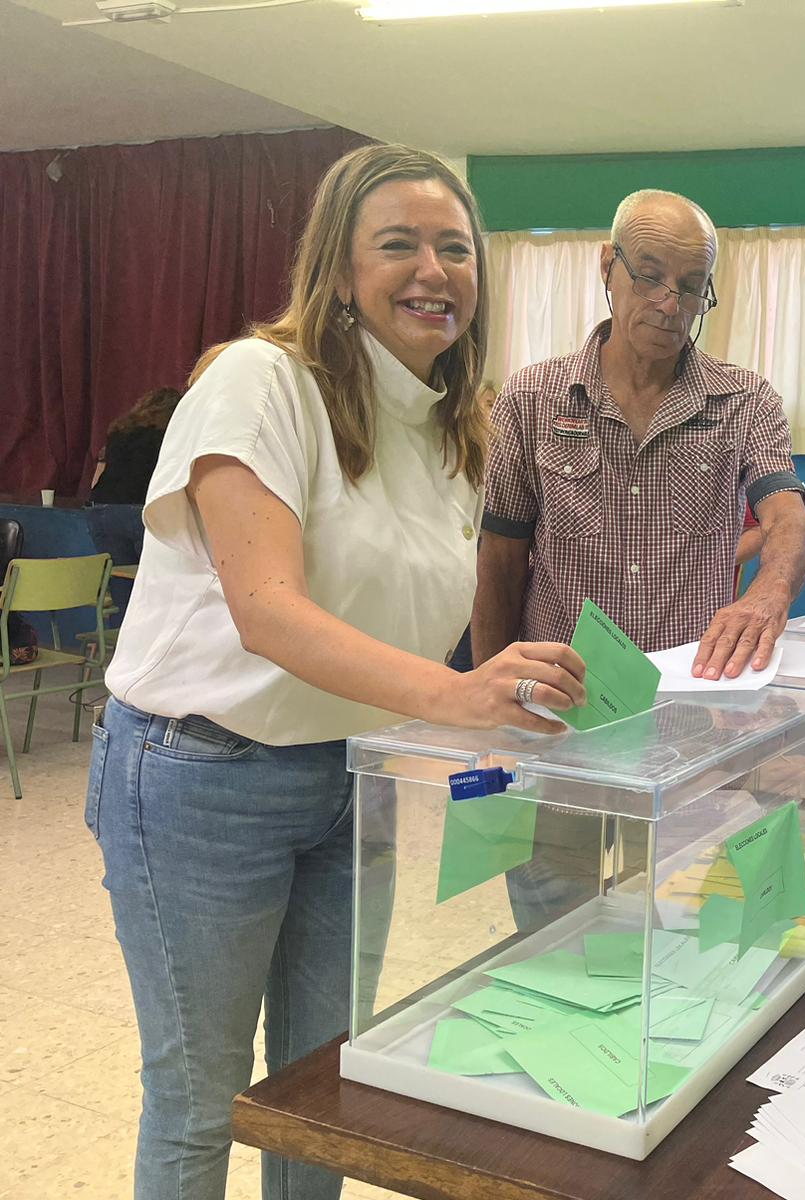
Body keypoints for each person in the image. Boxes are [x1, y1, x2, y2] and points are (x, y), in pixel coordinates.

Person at [88, 144, 586, 1200]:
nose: (432, 270)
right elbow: (267, 612)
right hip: (199, 776)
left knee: (324, 1088)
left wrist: (502, 688)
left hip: (344, 776)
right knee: (200, 1099)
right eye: (397, 244)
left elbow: (413, 615)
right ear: (335, 266)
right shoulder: (259, 383)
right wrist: (456, 695)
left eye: (455, 249)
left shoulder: (458, 421)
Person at [473, 187, 805, 682]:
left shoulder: (746, 401)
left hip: (692, 694)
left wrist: (770, 591)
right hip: (562, 697)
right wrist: (493, 697)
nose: (670, 305)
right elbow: (499, 563)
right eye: (650, 277)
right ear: (608, 265)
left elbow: (787, 516)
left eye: (692, 286)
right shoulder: (531, 398)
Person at [86, 385, 182, 566]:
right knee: (150, 577)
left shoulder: (119, 431)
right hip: (142, 509)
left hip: (102, 509)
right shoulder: (170, 435)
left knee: (119, 577)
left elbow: (97, 479)